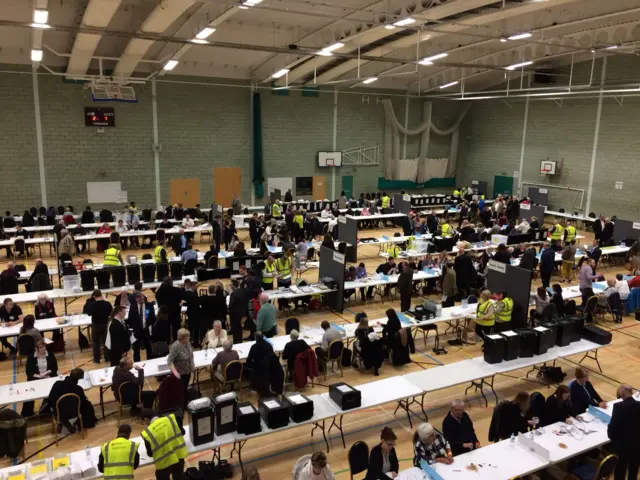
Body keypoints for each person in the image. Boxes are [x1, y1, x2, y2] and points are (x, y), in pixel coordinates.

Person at [48, 368, 96, 433]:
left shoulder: (57, 385)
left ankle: (63, 421)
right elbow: (82, 402)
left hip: (59, 412)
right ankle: (82, 422)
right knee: (87, 404)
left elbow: (50, 399)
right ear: (80, 378)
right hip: (74, 412)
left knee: (62, 407)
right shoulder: (78, 389)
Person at [608, 384, 640, 480]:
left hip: (622, 447)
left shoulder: (618, 407)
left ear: (622, 393)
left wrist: (612, 439)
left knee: (620, 471)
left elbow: (613, 427)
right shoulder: (639, 405)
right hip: (637, 445)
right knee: (633, 470)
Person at [142, 412, 187, 480]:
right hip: (178, 456)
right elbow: (183, 432)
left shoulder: (147, 433)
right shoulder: (171, 419)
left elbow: (150, 454)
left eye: (143, 422)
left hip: (163, 463)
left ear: (146, 419)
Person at [85, 289, 113, 363]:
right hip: (105, 324)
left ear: (94, 296)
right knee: (106, 341)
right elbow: (111, 313)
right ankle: (107, 357)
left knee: (96, 342)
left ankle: (97, 359)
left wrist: (88, 301)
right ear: (101, 295)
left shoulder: (93, 305)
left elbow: (88, 313)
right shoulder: (107, 303)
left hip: (96, 325)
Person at [167, 328, 195, 403]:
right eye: (188, 337)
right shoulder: (175, 347)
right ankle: (182, 406)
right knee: (181, 391)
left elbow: (190, 355)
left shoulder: (187, 343)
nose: (189, 338)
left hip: (188, 371)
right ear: (182, 338)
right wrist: (175, 373)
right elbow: (169, 361)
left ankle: (185, 403)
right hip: (180, 375)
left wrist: (192, 364)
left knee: (185, 389)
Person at [128, 291, 155, 362]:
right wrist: (132, 329)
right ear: (136, 299)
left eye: (143, 299)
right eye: (140, 300)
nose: (142, 301)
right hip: (137, 331)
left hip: (147, 330)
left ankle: (150, 361)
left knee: (149, 347)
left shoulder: (149, 305)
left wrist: (151, 327)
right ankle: (137, 363)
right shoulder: (133, 307)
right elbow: (130, 319)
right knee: (136, 349)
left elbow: (153, 317)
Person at [155, 277, 183, 342]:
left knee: (166, 329)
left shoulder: (160, 291)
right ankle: (177, 341)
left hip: (165, 313)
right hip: (175, 313)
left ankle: (167, 342)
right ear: (171, 283)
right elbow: (181, 299)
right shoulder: (177, 290)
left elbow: (157, 297)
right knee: (176, 328)